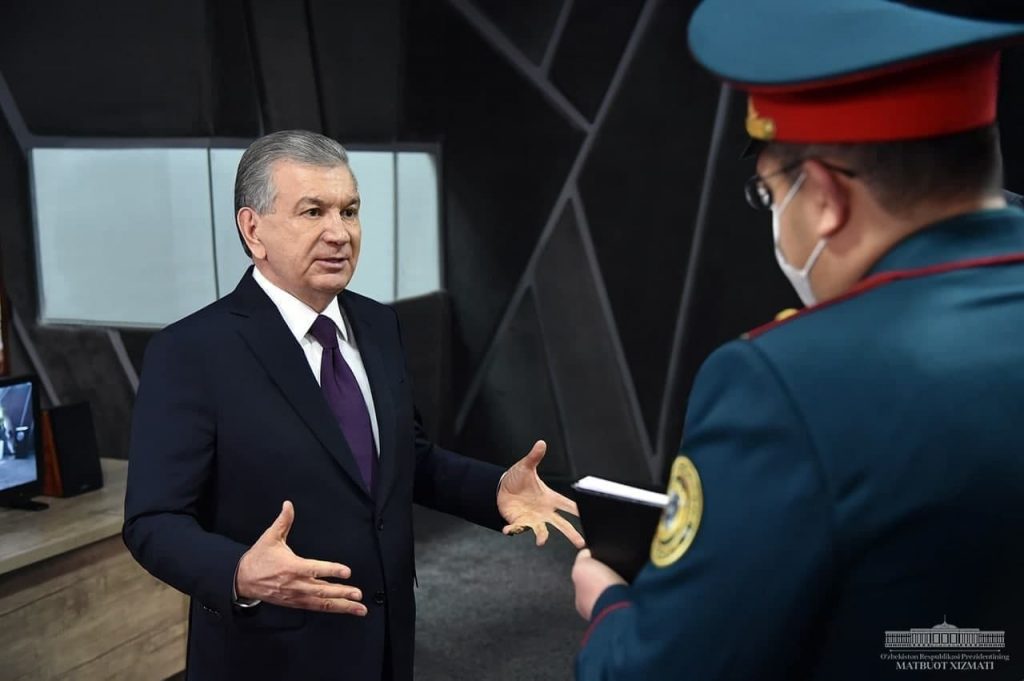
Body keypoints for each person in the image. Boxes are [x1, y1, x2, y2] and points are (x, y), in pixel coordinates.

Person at [570, 1, 1024, 679]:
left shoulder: (785, 384)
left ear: (825, 197)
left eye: (770, 194)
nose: (777, 221)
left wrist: (609, 606)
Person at [123, 130, 584, 681]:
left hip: (385, 644)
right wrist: (241, 572)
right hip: (268, 656)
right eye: (312, 211)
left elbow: (404, 460)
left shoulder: (379, 324)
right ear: (253, 230)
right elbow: (153, 520)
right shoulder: (191, 351)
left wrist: (494, 491)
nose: (339, 233)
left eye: (349, 211)